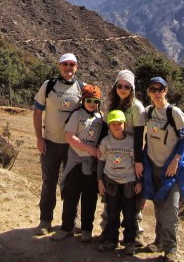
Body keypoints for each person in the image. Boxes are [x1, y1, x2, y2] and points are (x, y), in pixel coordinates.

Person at [33, 53, 83, 235]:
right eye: (65, 64)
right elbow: (37, 113)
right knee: (49, 183)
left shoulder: (81, 88)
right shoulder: (48, 86)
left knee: (72, 185)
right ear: (59, 66)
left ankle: (70, 222)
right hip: (51, 144)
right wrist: (39, 138)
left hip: (73, 147)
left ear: (76, 67)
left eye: (72, 64)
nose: (68, 68)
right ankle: (45, 220)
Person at [142, 77, 184, 262]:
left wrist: (175, 161)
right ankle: (159, 241)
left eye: (160, 89)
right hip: (153, 167)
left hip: (172, 169)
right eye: (153, 89)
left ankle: (171, 249)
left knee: (170, 209)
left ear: (166, 90)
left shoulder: (174, 113)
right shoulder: (148, 112)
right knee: (159, 207)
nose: (156, 92)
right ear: (148, 91)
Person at [97, 70, 147, 244]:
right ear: (115, 87)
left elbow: (140, 136)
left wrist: (138, 161)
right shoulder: (111, 104)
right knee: (111, 197)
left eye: (127, 86)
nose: (123, 89)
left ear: (132, 88)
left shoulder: (137, 108)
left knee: (132, 197)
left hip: (131, 153)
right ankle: (108, 232)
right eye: (120, 85)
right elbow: (104, 130)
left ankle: (134, 234)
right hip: (112, 152)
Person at [51, 84, 105, 242]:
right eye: (88, 100)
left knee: (90, 198)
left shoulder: (100, 118)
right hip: (76, 161)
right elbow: (69, 136)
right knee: (71, 196)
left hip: (92, 164)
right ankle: (66, 228)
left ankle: (87, 229)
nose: (92, 104)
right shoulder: (76, 115)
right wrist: (90, 149)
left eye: (95, 101)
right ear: (83, 100)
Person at [96, 110, 142, 255]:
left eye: (119, 123)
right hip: (111, 182)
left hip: (129, 182)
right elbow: (100, 162)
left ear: (124, 124)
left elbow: (137, 163)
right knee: (112, 214)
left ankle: (129, 242)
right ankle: (111, 240)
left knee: (130, 215)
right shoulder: (105, 142)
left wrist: (139, 182)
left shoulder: (131, 141)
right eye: (113, 124)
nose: (116, 126)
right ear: (109, 125)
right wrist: (100, 181)